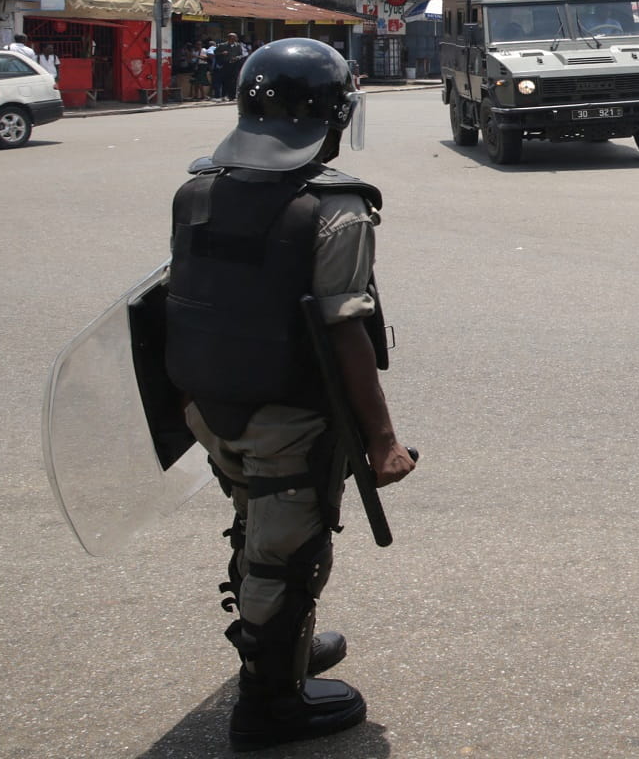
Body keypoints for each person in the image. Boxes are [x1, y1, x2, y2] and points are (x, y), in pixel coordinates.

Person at [165, 38, 417, 750]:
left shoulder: (198, 189)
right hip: (288, 417)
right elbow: (345, 331)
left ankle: (282, 643)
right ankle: (270, 702)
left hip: (209, 406)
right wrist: (383, 442)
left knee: (256, 525)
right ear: (333, 117)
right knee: (291, 555)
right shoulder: (335, 208)